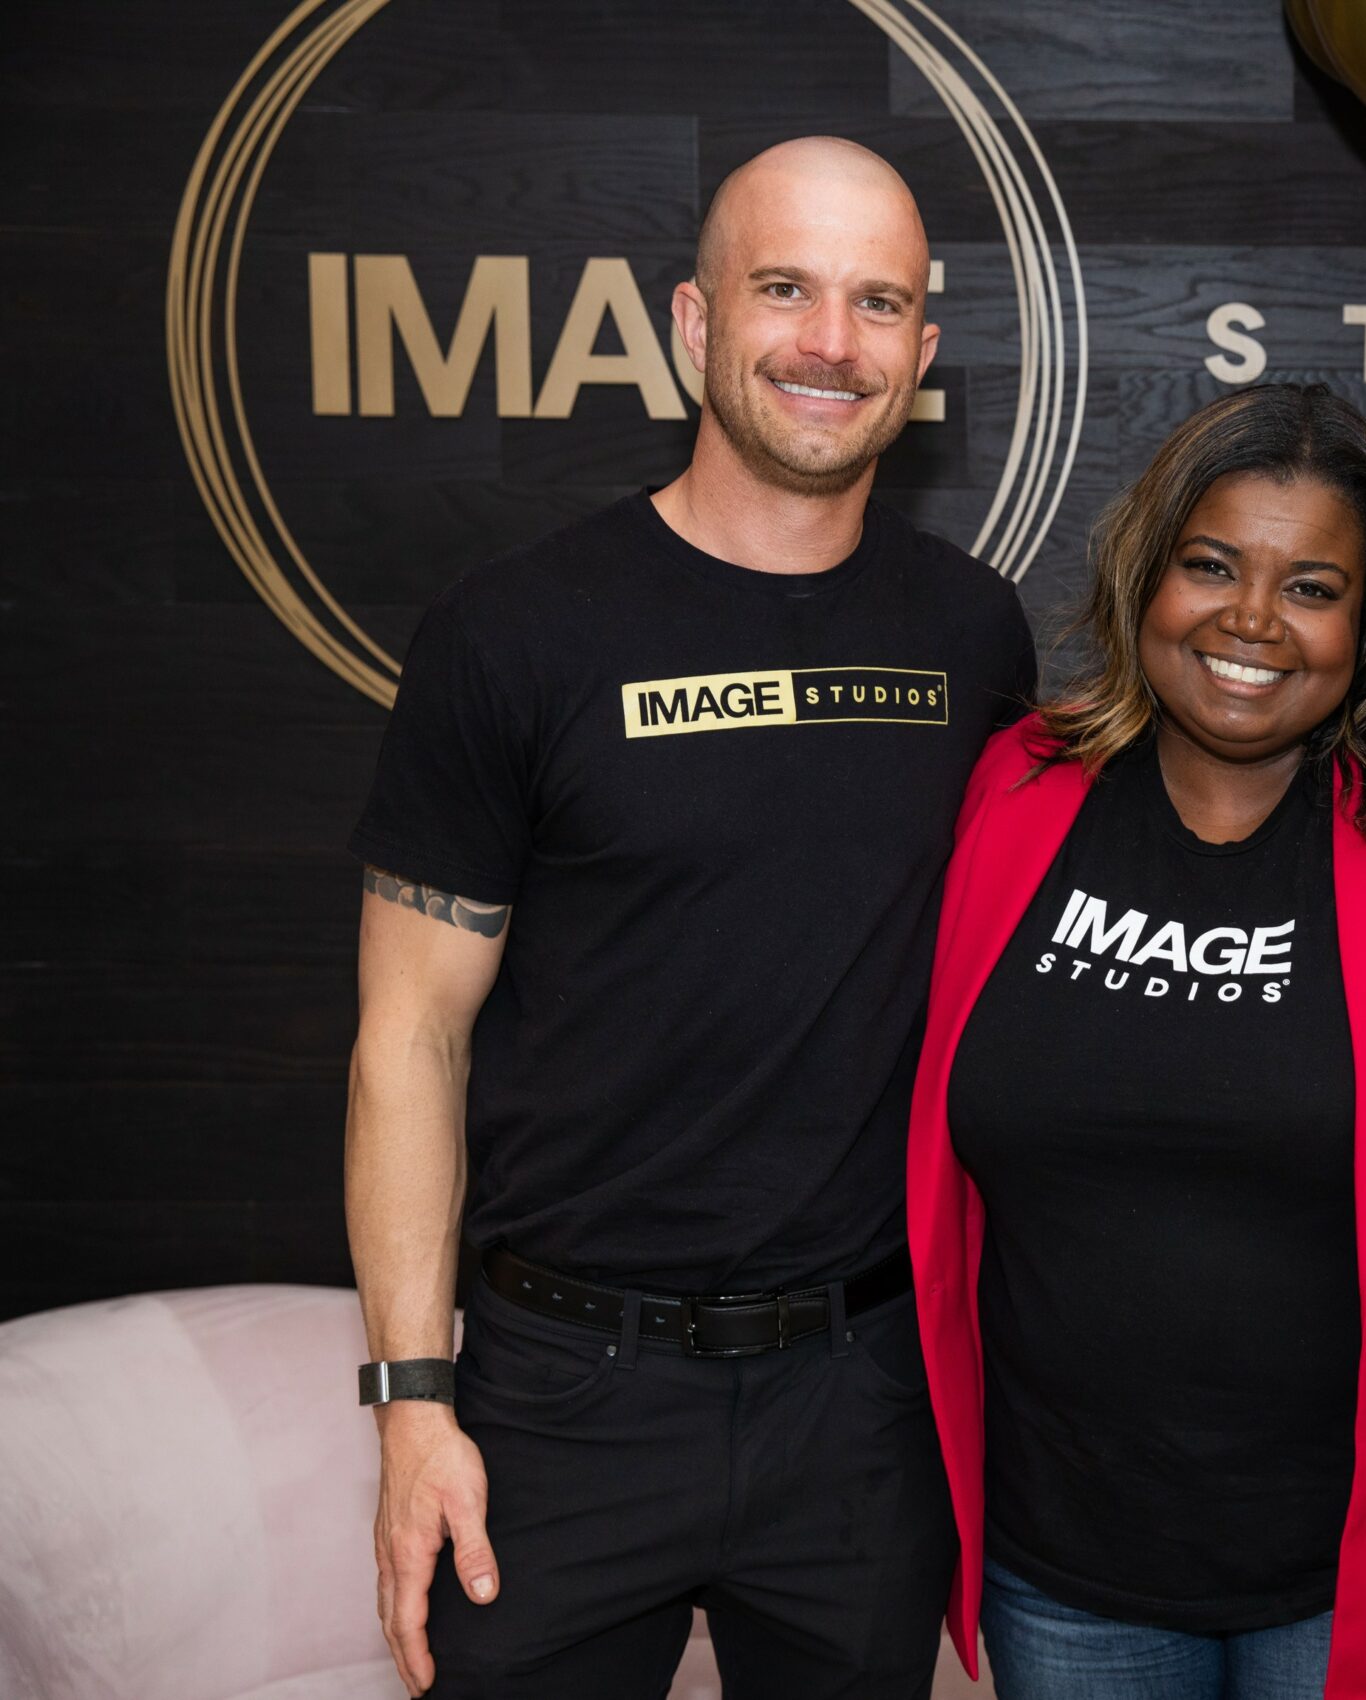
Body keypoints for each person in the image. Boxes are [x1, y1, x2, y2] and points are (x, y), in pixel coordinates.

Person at [342, 138, 1036, 1700]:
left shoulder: (971, 631)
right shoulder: (513, 632)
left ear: (922, 356)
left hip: (862, 1405)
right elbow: (411, 1034)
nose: (827, 343)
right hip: (563, 1403)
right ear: (691, 321)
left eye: (878, 304)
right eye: (783, 288)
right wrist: (411, 1403)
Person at [903, 382, 1366, 1700]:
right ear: (1145, 574)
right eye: (1211, 566)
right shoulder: (1018, 789)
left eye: (1310, 586)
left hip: (1349, 1576)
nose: (1248, 620)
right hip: (1063, 1573)